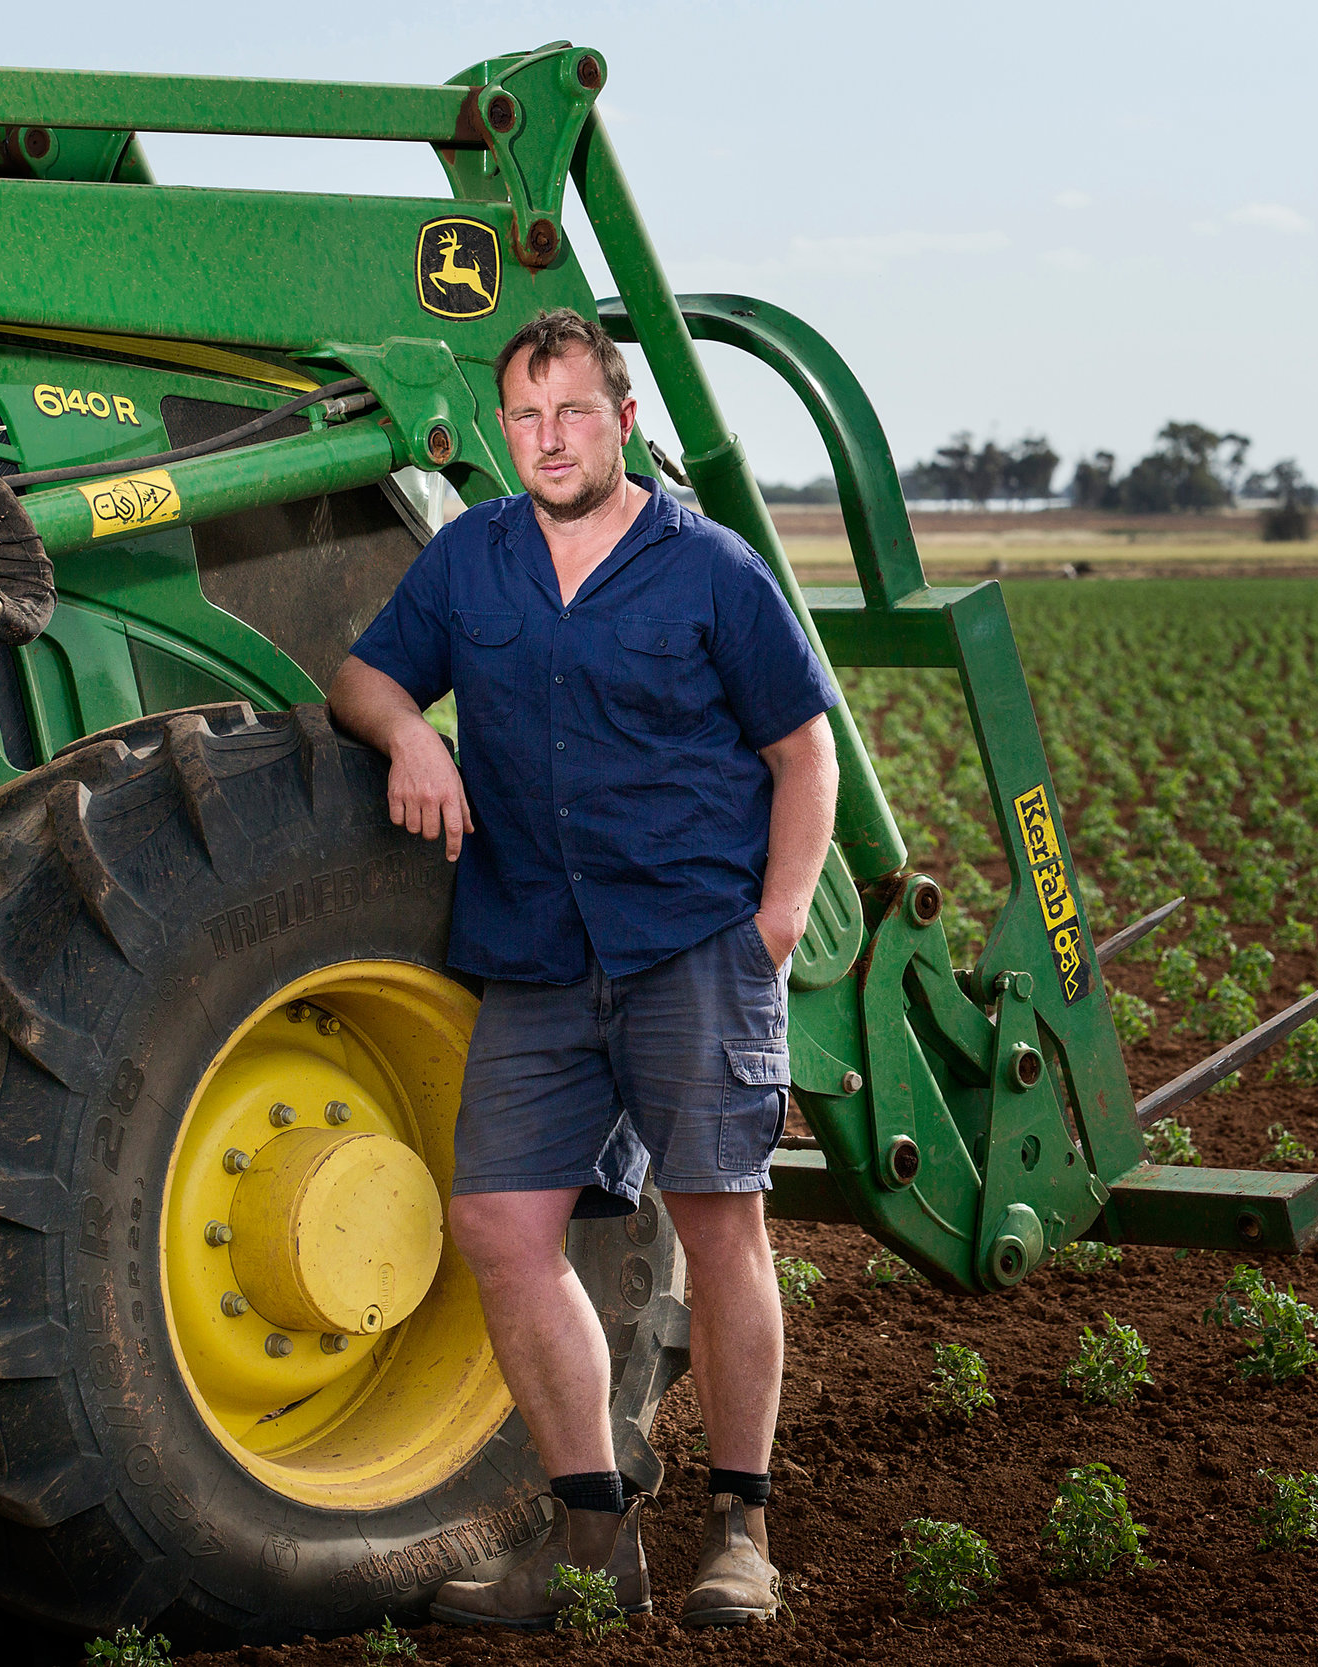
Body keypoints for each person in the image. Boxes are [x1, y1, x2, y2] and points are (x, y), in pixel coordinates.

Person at [328, 307, 839, 1629]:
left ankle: (741, 1525)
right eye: (526, 418)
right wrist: (412, 740)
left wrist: (773, 924)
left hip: (690, 947)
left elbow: (805, 757)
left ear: (621, 420)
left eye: (572, 412)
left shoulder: (711, 570)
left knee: (721, 1227)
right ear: (508, 434)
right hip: (539, 952)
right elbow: (365, 677)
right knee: (502, 1228)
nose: (549, 439)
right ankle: (590, 1536)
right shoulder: (472, 560)